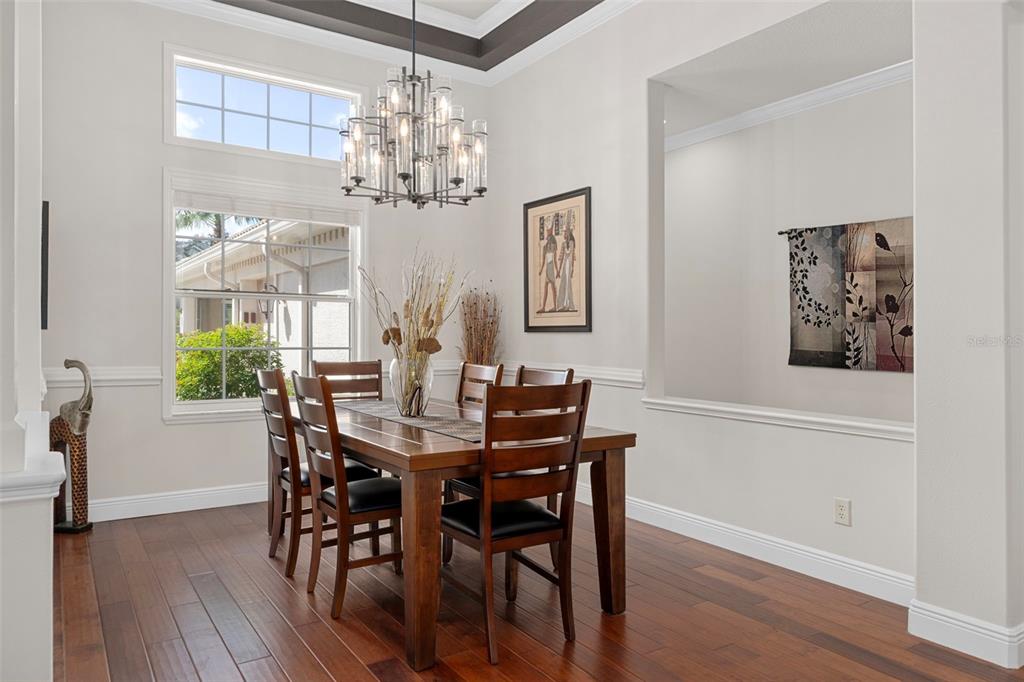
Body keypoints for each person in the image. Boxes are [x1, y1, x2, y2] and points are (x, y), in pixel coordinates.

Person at [538, 219, 559, 313]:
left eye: (549, 230)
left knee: (552, 287)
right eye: (547, 230)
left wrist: (557, 271)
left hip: (550, 267)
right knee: (547, 287)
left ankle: (554, 306)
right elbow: (544, 260)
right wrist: (541, 270)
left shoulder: (553, 243)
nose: (547, 231)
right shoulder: (545, 245)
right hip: (547, 267)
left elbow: (554, 259)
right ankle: (544, 307)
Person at [556, 222, 576, 312]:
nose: (564, 234)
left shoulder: (571, 243)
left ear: (568, 234)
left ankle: (568, 304)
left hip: (569, 266)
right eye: (564, 232)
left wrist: (573, 269)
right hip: (565, 266)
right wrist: (559, 271)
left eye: (565, 232)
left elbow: (572, 256)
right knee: (564, 283)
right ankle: (563, 304)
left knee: (568, 284)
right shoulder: (563, 244)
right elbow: (561, 258)